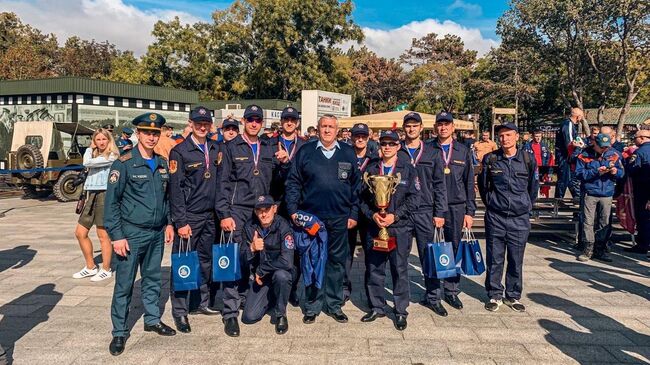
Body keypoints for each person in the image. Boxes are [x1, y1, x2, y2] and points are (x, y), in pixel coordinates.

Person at [104, 113, 176, 356]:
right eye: (147, 132)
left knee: (153, 279)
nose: (152, 137)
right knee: (124, 284)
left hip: (156, 233)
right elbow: (111, 204)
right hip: (131, 234)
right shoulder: (123, 163)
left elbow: (166, 199)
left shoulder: (163, 163)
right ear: (138, 134)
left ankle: (152, 319)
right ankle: (119, 332)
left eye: (156, 133)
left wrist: (169, 223)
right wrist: (117, 236)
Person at [216, 104, 288, 337]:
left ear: (263, 123)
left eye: (258, 120)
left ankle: (251, 297)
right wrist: (224, 214)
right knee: (234, 259)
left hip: (261, 211)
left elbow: (278, 182)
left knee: (258, 256)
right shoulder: (230, 146)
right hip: (237, 211)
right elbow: (223, 183)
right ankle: (230, 313)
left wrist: (284, 164)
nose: (254, 123)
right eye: (250, 120)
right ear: (244, 122)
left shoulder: (269, 147)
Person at [285, 114, 361, 324]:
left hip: (339, 217)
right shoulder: (306, 151)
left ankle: (334, 304)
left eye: (331, 127)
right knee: (312, 261)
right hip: (312, 219)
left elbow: (356, 187)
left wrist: (354, 213)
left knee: (336, 262)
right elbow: (293, 183)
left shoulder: (347, 152)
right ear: (317, 129)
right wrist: (292, 210)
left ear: (338, 130)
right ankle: (312, 306)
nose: (327, 130)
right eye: (324, 126)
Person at [359, 130, 419, 331]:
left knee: (399, 269)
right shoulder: (371, 168)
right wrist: (373, 215)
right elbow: (361, 200)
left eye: (391, 144)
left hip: (399, 228)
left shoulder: (407, 169)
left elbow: (414, 199)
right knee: (374, 269)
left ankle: (401, 310)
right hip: (375, 227)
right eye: (383, 143)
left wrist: (396, 215)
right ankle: (377, 306)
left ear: (398, 146)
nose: (387, 147)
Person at [168, 106, 220, 334]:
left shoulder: (215, 147)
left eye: (205, 123)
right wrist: (180, 221)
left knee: (205, 262)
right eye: (198, 122)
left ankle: (201, 302)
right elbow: (175, 190)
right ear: (190, 123)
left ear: (210, 125)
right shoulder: (180, 151)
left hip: (210, 216)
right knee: (183, 264)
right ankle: (180, 312)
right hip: (189, 217)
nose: (202, 126)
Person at [478, 122, 538, 313]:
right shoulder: (491, 159)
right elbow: (484, 186)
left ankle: (513, 295)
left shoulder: (527, 159)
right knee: (495, 257)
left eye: (509, 135)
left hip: (519, 218)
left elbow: (533, 187)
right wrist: (493, 203)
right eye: (502, 136)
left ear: (517, 137)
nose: (505, 139)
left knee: (515, 258)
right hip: (496, 216)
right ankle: (495, 294)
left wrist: (526, 205)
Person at [397, 112, 447, 316]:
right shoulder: (396, 150)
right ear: (404, 128)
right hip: (403, 212)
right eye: (408, 126)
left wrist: (440, 212)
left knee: (430, 257)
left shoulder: (433, 152)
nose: (411, 129)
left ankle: (433, 297)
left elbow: (439, 185)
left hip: (426, 211)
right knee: (400, 257)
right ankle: (401, 300)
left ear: (421, 128)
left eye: (415, 125)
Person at [430, 112, 476, 315]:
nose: (443, 128)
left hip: (457, 206)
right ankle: (432, 292)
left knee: (454, 248)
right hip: (432, 206)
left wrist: (470, 211)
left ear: (453, 127)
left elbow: (469, 182)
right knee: (434, 248)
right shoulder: (429, 149)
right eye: (440, 124)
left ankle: (451, 290)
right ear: (435, 128)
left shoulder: (463, 150)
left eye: (446, 124)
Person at [241, 195, 294, 334]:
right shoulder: (249, 227)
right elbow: (242, 259)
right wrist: (251, 248)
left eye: (267, 209)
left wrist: (261, 269)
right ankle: (271, 298)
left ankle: (281, 314)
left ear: (274, 209)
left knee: (282, 276)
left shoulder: (284, 226)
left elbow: (287, 262)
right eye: (259, 210)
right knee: (249, 317)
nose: (263, 214)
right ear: (255, 212)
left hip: (278, 273)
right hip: (261, 279)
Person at [270, 107, 307, 306]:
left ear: (297, 123)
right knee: (275, 247)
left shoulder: (305, 145)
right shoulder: (269, 143)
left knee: (297, 249)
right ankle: (275, 289)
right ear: (281, 121)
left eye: (293, 119)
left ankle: (292, 288)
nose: (290, 122)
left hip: (298, 205)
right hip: (275, 203)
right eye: (286, 119)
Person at [72, 128, 119, 282]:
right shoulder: (95, 154)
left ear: (109, 140)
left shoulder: (112, 156)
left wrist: (88, 149)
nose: (101, 142)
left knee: (102, 234)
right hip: (91, 193)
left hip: (104, 194)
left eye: (103, 139)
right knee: (80, 232)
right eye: (97, 139)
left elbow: (86, 163)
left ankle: (106, 268)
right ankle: (90, 266)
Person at [344, 122, 379, 302]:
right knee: (346, 253)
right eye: (356, 136)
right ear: (351, 137)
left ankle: (371, 294)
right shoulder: (344, 156)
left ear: (368, 137)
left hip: (368, 213)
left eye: (363, 136)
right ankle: (344, 289)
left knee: (370, 254)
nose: (359, 139)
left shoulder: (375, 160)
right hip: (349, 211)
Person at [575, 133, 623, 262]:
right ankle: (588, 248)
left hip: (607, 193)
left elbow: (622, 172)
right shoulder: (584, 155)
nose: (604, 150)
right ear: (594, 143)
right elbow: (579, 174)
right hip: (590, 192)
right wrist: (596, 172)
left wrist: (615, 172)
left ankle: (600, 249)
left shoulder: (614, 154)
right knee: (588, 222)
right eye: (601, 147)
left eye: (606, 147)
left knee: (604, 222)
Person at [625, 129, 650, 254]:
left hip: (642, 189)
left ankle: (643, 244)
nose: (634, 140)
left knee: (642, 217)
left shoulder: (639, 152)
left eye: (635, 137)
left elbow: (632, 169)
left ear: (642, 138)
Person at [555, 108, 584, 199]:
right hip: (565, 157)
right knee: (564, 180)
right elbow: (570, 143)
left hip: (566, 157)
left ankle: (576, 203)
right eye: (581, 117)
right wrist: (580, 146)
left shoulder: (567, 124)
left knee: (570, 180)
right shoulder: (568, 124)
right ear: (578, 116)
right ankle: (558, 203)